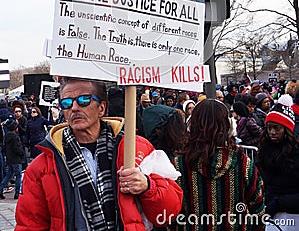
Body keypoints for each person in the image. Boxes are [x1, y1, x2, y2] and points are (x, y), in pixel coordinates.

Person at [15, 77, 183, 230]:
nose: (74, 108)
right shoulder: (41, 167)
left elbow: (169, 212)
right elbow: (29, 225)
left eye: (83, 100)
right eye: (66, 103)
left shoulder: (137, 148)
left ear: (102, 108)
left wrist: (148, 186)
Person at [174, 99, 265, 231]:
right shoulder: (244, 164)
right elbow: (258, 211)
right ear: (228, 126)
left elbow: (171, 215)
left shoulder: (179, 165)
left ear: (191, 126)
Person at [257, 94, 299, 230]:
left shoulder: (296, 153)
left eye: (277, 128)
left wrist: (279, 203)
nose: (272, 132)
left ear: (286, 130)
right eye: (269, 128)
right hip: (272, 213)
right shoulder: (265, 150)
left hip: (293, 213)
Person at [0, 120, 24, 200]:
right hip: (16, 159)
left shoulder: (6, 136)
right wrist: (21, 153)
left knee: (8, 175)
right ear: (15, 128)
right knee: (18, 176)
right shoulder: (15, 137)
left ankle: (0, 190)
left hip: (9, 159)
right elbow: (17, 149)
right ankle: (17, 193)